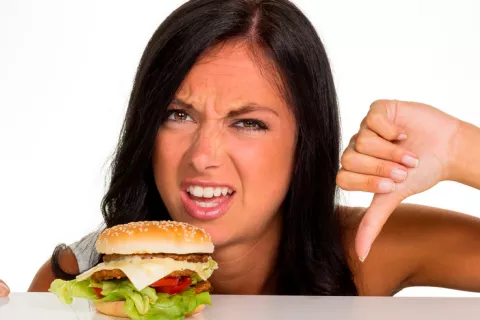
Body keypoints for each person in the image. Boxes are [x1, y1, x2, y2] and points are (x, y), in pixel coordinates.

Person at [1, 0, 479, 297]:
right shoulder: (80, 276)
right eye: (178, 115)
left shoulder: (364, 250)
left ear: (305, 143)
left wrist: (461, 147)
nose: (203, 155)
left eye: (248, 123)